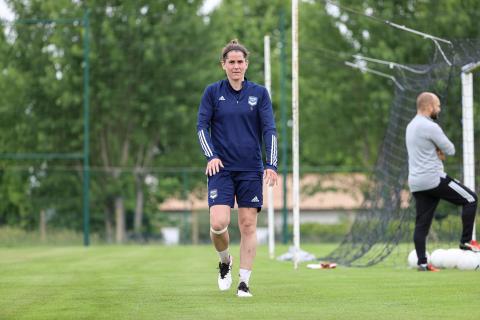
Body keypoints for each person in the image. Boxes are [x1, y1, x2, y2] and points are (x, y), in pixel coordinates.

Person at [196, 39, 278, 296]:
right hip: (220, 169)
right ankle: (224, 262)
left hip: (250, 169)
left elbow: (270, 130)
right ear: (223, 65)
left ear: (246, 64)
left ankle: (244, 282)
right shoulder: (212, 92)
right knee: (219, 222)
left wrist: (271, 164)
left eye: (240, 61)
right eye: (231, 62)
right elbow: (201, 128)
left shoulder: (259, 93)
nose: (236, 66)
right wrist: (211, 156)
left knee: (247, 225)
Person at [406, 92, 480, 272]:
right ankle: (465, 241)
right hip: (433, 178)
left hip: (416, 183)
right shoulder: (430, 126)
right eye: (437, 105)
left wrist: (433, 150)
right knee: (470, 199)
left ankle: (423, 262)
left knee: (421, 223)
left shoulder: (410, 126)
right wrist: (439, 149)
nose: (439, 109)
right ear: (429, 106)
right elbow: (451, 149)